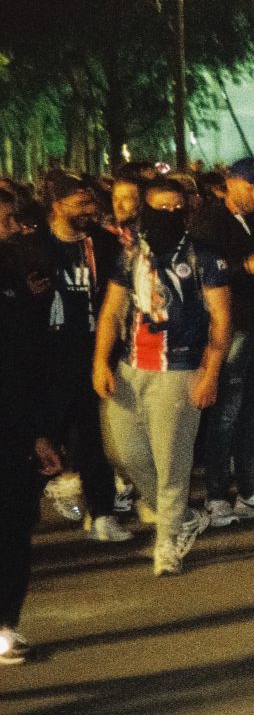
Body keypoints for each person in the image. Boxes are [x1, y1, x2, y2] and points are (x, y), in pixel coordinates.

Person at [92, 179, 232, 576]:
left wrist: (211, 373)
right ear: (145, 209)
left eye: (176, 207)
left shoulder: (204, 257)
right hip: (131, 368)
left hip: (180, 371)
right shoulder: (130, 255)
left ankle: (167, 542)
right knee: (124, 452)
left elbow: (222, 320)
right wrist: (100, 361)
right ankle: (182, 516)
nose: (169, 215)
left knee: (172, 463)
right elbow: (111, 312)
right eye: (160, 207)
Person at [189, 157, 254, 526]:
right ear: (231, 182)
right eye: (252, 186)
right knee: (225, 414)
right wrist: (244, 268)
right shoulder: (209, 222)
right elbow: (201, 273)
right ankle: (217, 495)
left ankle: (250, 491)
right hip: (233, 328)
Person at [29, 175, 130, 541]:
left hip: (92, 349)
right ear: (57, 205)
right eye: (81, 203)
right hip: (46, 353)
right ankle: (23, 513)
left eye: (91, 202)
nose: (90, 210)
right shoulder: (33, 245)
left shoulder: (104, 244)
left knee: (93, 436)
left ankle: (102, 513)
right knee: (40, 435)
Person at [1, 189, 64, 663]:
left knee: (13, 525)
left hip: (14, 423)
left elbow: (30, 358)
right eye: (3, 221)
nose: (11, 229)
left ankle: (5, 623)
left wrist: (41, 431)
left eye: (11, 221)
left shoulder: (16, 272)